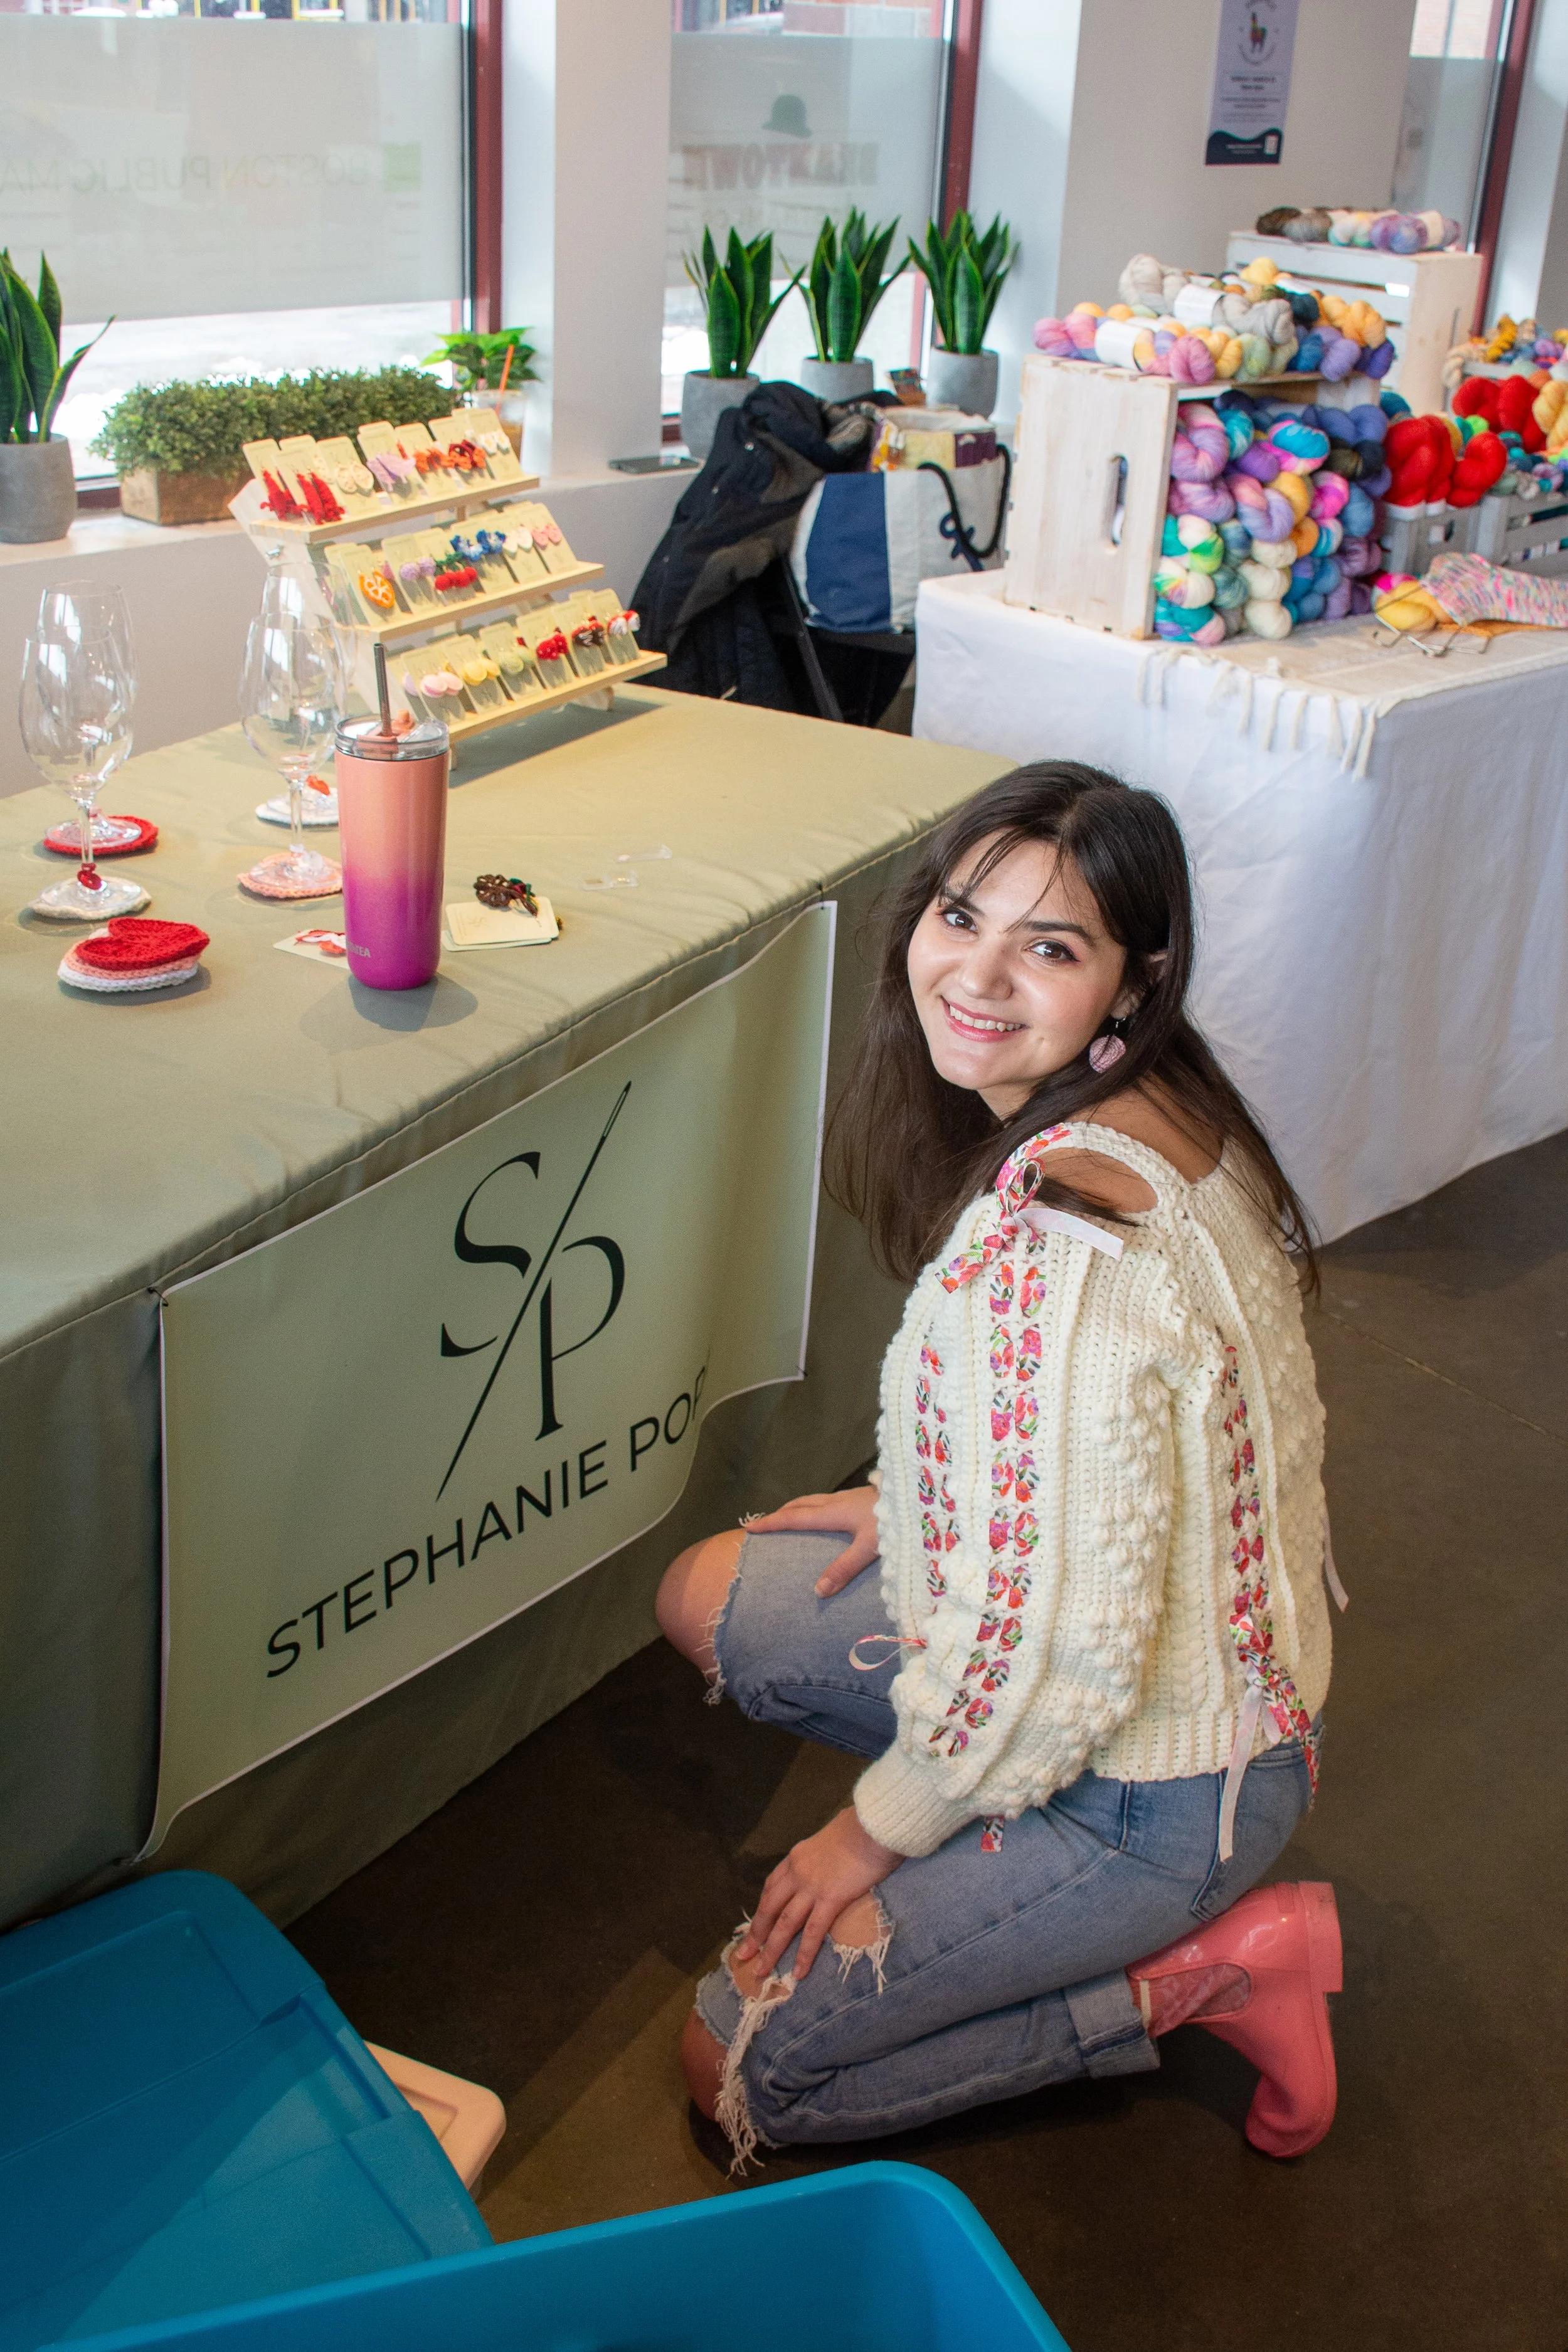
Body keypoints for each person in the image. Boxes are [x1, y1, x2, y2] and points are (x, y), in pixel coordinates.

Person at [657, 761, 1342, 2171]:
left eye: (1048, 946)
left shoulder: (1058, 1250)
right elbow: (1121, 1473)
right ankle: (1009, 1864)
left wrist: (875, 1832)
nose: (972, 975)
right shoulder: (1164, 1111)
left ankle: (1203, 1973)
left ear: (1131, 982)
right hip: (1195, 1679)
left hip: (1158, 1789)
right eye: (960, 916)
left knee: (736, 2067)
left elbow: (1055, 1655)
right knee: (714, 1589)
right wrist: (918, 1493)